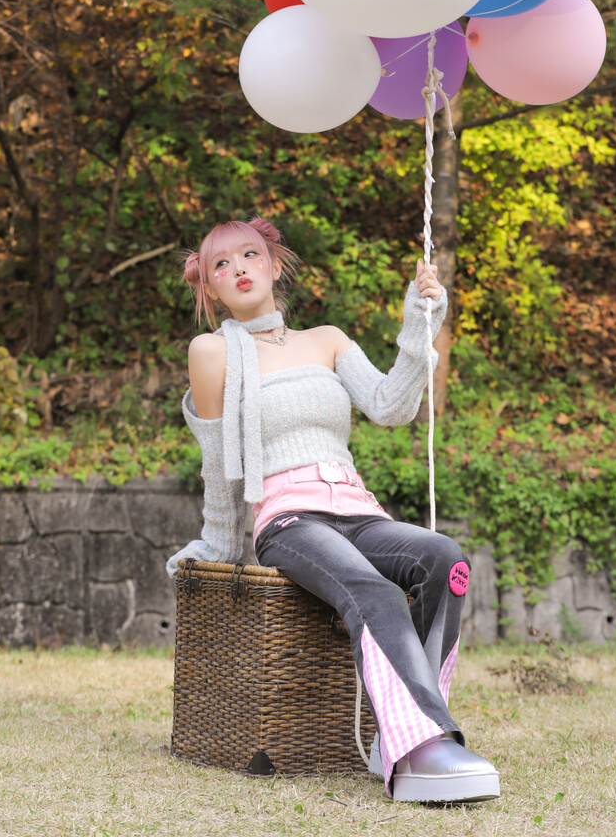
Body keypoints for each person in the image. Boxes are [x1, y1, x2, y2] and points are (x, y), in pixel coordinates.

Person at [166, 216, 499, 805]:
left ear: (273, 264)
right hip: (290, 519)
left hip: (356, 507)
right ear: (210, 289)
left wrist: (418, 325)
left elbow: (391, 406)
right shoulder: (213, 351)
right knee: (373, 591)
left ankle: (401, 732)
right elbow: (217, 465)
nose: (239, 268)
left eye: (249, 255)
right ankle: (424, 746)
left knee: (446, 561)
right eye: (222, 264)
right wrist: (217, 543)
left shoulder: (328, 339)